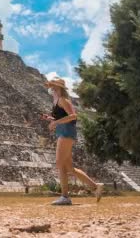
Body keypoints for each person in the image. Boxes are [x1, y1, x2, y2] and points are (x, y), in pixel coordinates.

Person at [41, 78, 103, 206]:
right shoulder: (56, 101)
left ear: (58, 88)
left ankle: (65, 196)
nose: (51, 88)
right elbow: (61, 117)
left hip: (66, 133)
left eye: (53, 86)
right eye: (51, 86)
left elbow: (73, 116)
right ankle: (95, 186)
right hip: (63, 132)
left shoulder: (63, 100)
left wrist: (56, 122)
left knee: (60, 164)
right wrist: (51, 119)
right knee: (69, 167)